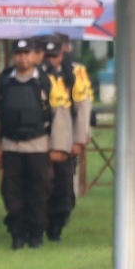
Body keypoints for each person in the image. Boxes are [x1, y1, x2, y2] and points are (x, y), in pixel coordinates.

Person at [0, 37, 71, 249]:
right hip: (11, 146)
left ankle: (36, 233)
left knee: (39, 191)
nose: (23, 58)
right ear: (14, 56)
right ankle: (17, 233)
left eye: (27, 53)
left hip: (38, 145)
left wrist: (58, 147)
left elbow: (59, 114)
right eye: (19, 54)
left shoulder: (46, 81)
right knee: (12, 191)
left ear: (34, 55)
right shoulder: (3, 82)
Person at [40, 35, 92, 242]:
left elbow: (82, 107)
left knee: (63, 187)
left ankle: (56, 227)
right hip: (39, 136)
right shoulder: (35, 71)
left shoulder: (75, 73)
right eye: (48, 55)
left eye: (56, 55)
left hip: (65, 137)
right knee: (41, 184)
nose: (52, 60)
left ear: (64, 52)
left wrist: (79, 139)